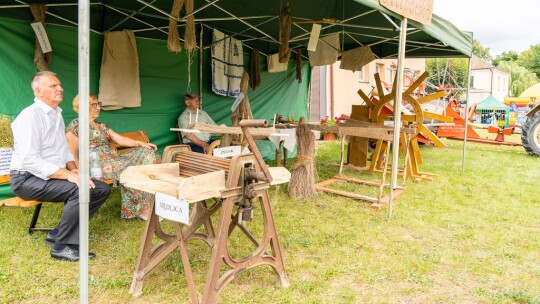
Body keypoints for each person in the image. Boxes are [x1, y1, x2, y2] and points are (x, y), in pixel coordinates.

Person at [10, 71, 110, 262]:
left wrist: (74, 169)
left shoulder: (56, 114)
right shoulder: (29, 117)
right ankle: (62, 247)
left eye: (59, 85)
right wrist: (69, 176)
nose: (60, 88)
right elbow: (30, 160)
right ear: (38, 91)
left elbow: (63, 149)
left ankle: (58, 233)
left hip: (45, 175)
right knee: (80, 190)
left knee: (100, 188)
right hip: (25, 179)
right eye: (53, 86)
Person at [66, 93, 159, 220]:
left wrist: (141, 143)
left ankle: (145, 205)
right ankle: (141, 209)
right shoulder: (76, 126)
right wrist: (79, 173)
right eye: (94, 105)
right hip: (96, 167)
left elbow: (120, 140)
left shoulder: (102, 126)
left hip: (114, 161)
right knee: (133, 170)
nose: (98, 107)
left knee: (148, 154)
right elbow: (71, 153)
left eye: (98, 104)